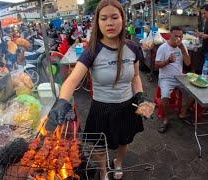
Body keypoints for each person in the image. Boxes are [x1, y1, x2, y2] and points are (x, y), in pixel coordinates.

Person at [46, 0, 151, 179]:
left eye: (114, 17)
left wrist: (140, 96)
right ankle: (103, 171)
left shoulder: (132, 47)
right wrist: (61, 103)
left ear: (122, 19)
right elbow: (72, 80)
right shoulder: (92, 50)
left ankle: (117, 163)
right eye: (104, 18)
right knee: (98, 147)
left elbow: (135, 77)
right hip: (102, 108)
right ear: (98, 22)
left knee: (124, 141)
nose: (109, 23)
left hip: (127, 106)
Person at [155, 26, 192, 133]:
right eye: (176, 36)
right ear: (170, 35)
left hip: (179, 77)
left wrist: (183, 50)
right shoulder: (163, 48)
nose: (178, 38)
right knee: (165, 98)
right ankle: (166, 119)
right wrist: (167, 61)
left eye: (180, 36)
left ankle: (183, 112)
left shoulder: (182, 47)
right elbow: (156, 65)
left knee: (194, 93)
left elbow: (188, 63)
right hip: (166, 78)